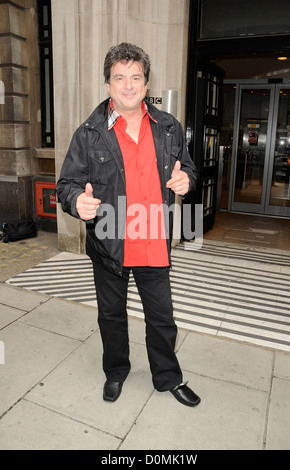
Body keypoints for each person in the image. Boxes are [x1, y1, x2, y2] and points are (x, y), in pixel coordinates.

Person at [56, 43, 200, 407]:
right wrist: (78, 202)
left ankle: (168, 378)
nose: (128, 85)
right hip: (109, 240)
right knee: (111, 317)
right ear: (108, 85)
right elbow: (66, 185)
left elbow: (189, 169)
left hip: (153, 238)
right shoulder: (89, 133)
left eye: (136, 77)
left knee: (162, 318)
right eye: (119, 77)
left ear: (146, 83)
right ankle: (116, 372)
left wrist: (188, 182)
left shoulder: (169, 127)